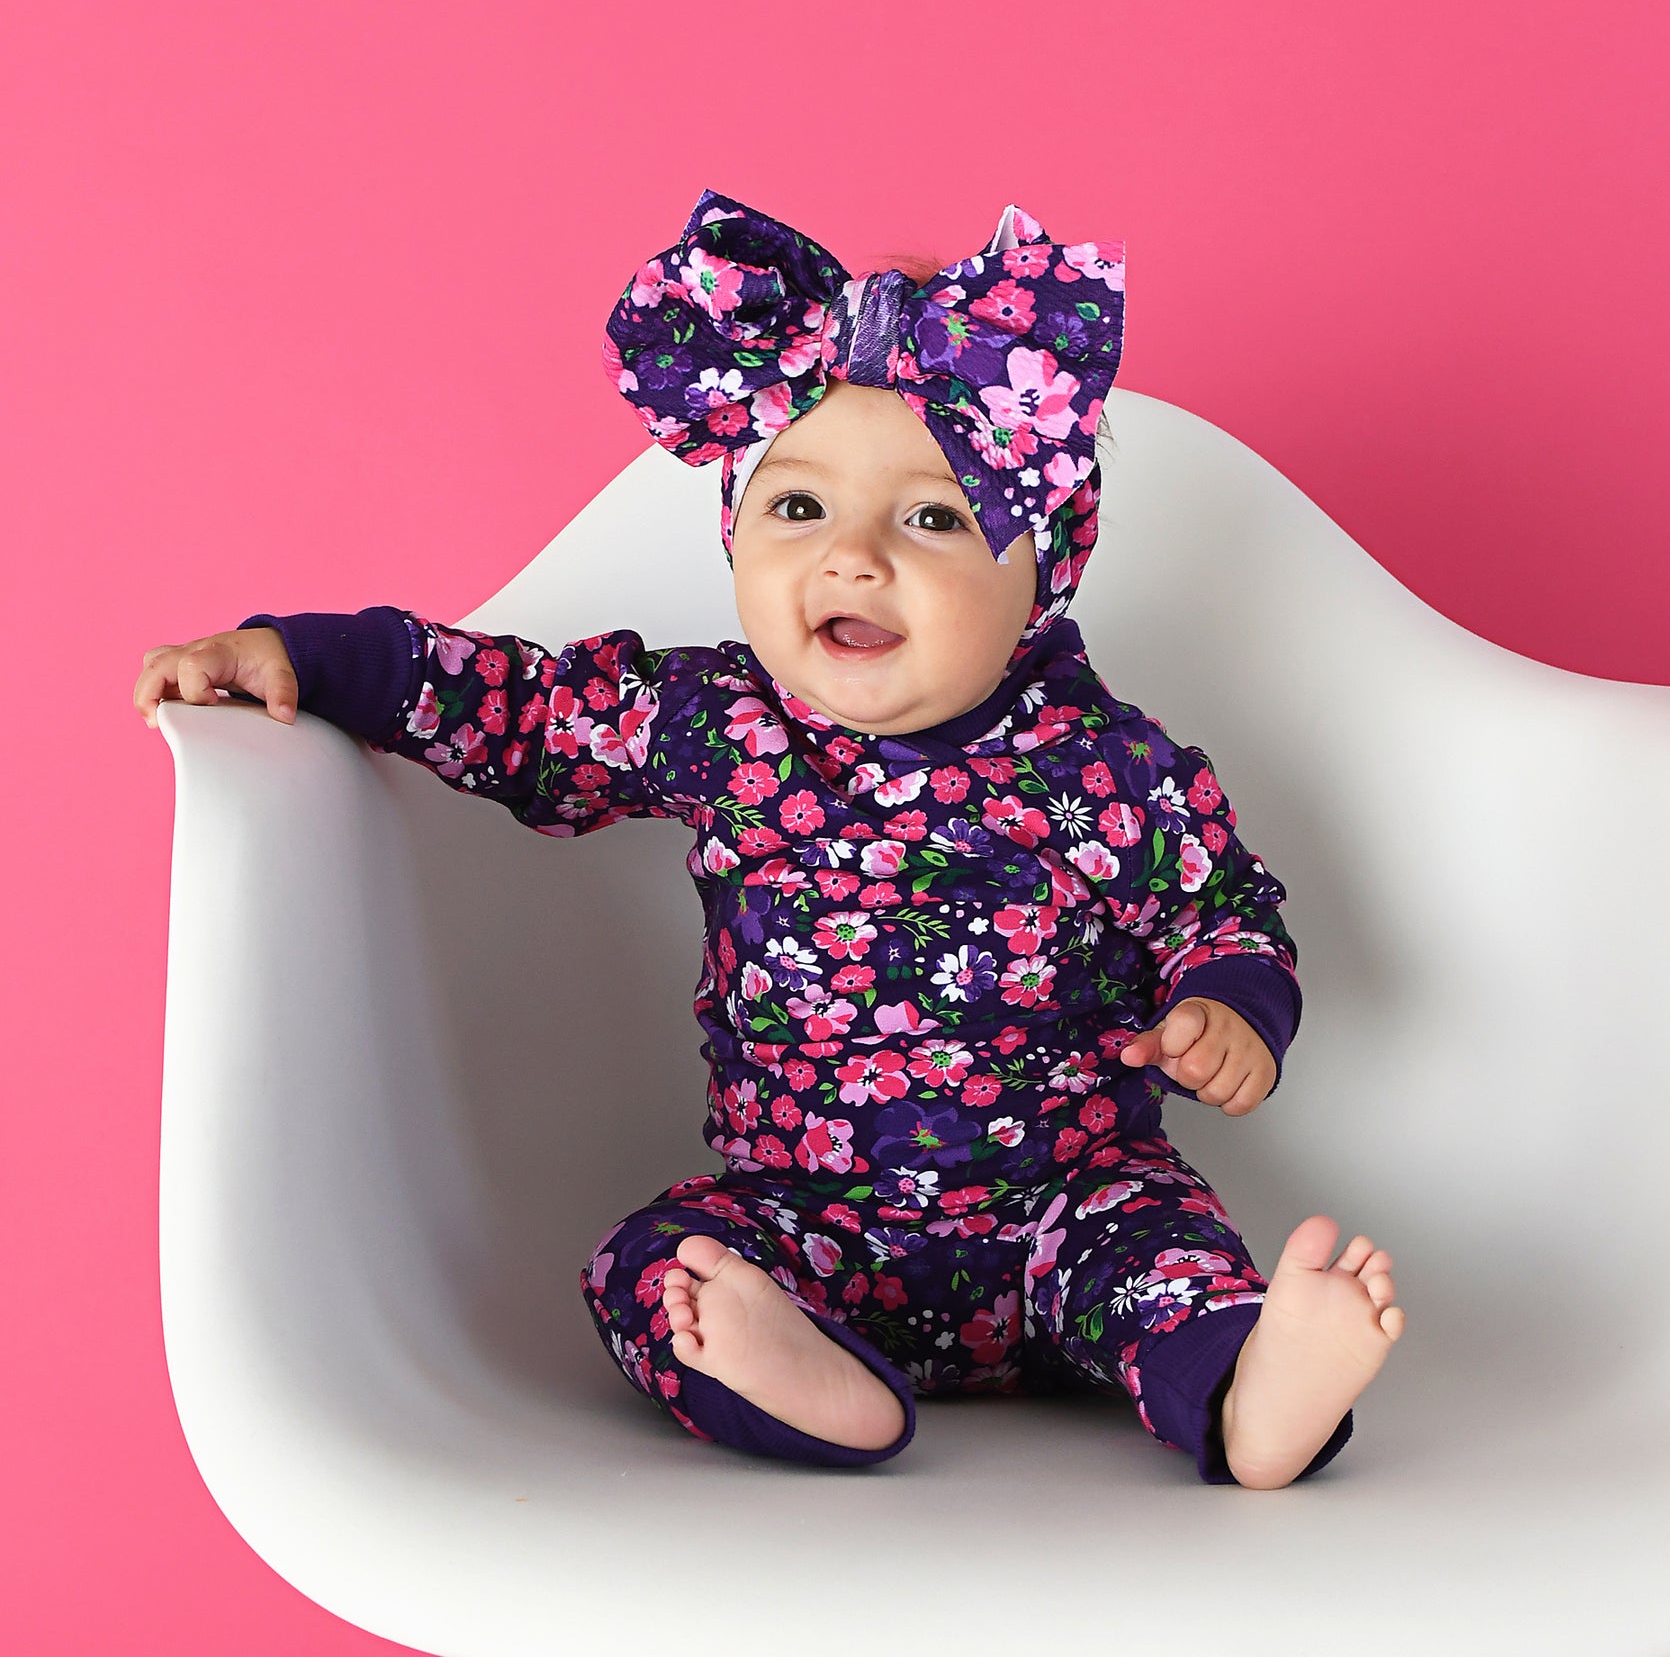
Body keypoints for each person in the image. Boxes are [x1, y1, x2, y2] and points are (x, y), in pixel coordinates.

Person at [133, 188, 1404, 1487]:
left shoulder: (1110, 766)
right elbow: (516, 708)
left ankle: (1251, 1395)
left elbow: (1222, 906)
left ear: (1042, 571)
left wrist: (1229, 1006)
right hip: (810, 1222)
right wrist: (308, 658)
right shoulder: (720, 724)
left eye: (932, 518)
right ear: (736, 527)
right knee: (654, 1267)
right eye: (800, 509)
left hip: (1071, 1208)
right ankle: (807, 1384)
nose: (853, 558)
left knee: (1174, 1267)